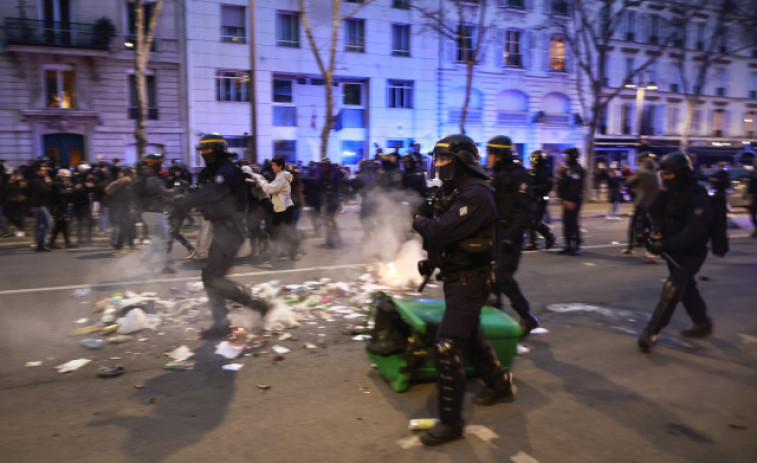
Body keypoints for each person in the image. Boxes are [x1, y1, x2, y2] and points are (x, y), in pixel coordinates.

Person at [412, 134, 516, 446]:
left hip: (472, 278)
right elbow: (428, 207)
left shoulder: (476, 195)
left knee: (447, 346)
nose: (440, 164)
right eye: (438, 159)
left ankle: (451, 423)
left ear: (462, 161)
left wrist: (419, 221)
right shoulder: (453, 189)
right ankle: (499, 384)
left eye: (445, 159)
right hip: (457, 276)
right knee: (470, 335)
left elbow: (440, 229)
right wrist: (423, 210)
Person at [173, 133, 268, 339]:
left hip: (231, 229)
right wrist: (184, 193)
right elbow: (201, 188)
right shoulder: (209, 172)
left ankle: (253, 308)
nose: (205, 155)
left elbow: (215, 191)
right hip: (221, 229)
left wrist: (187, 201)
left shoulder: (228, 170)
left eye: (208, 151)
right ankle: (230, 319)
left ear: (217, 150)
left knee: (212, 278)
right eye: (202, 152)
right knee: (212, 278)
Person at [638, 152, 713, 353]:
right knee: (687, 287)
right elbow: (653, 210)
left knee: (674, 286)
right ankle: (702, 322)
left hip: (692, 252)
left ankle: (651, 332)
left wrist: (664, 245)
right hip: (673, 249)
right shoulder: (669, 193)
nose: (666, 179)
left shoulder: (698, 195)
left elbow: (695, 231)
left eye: (669, 175)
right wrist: (647, 229)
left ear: (680, 174)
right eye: (664, 175)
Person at [486, 135, 539, 336]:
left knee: (502, 277)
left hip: (510, 235)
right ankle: (494, 321)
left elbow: (526, 208)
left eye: (490, 153)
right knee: (490, 279)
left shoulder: (519, 175)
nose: (488, 157)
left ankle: (526, 316)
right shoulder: (496, 174)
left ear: (498, 155)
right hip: (495, 233)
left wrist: (511, 235)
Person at [252, 156, 299, 261]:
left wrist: (262, 182)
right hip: (279, 206)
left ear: (280, 166)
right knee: (275, 229)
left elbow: (270, 189)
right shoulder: (278, 175)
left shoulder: (282, 176)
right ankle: (281, 251)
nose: (272, 167)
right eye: (272, 165)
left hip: (285, 207)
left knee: (284, 230)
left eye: (274, 165)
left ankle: (293, 253)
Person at [135, 153, 174, 274]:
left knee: (159, 238)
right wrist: (177, 190)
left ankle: (151, 262)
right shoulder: (150, 177)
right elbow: (163, 192)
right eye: (159, 163)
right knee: (161, 239)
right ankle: (159, 265)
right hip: (153, 211)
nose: (161, 166)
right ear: (152, 164)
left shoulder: (144, 176)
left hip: (149, 211)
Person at [622, 155, 660, 256]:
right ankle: (651, 248)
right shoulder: (656, 174)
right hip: (653, 204)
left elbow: (629, 182)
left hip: (641, 202)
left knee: (633, 225)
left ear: (644, 165)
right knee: (650, 226)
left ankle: (630, 248)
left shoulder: (641, 172)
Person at [525, 150, 556, 251]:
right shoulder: (534, 170)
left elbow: (547, 186)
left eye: (534, 158)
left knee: (535, 221)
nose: (532, 160)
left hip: (542, 198)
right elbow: (531, 179)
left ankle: (549, 236)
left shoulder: (546, 170)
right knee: (530, 221)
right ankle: (533, 242)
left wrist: (533, 188)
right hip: (533, 198)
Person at [556, 147, 585, 255]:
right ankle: (568, 245)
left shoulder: (577, 170)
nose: (565, 158)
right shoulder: (570, 169)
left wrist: (570, 200)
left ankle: (576, 246)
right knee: (567, 222)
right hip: (567, 199)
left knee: (572, 222)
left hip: (573, 200)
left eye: (567, 155)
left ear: (572, 156)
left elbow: (574, 186)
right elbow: (563, 183)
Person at [47, 169, 74, 249]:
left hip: (59, 207)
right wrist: (73, 190)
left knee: (60, 225)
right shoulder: (57, 184)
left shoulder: (58, 183)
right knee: (61, 225)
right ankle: (66, 242)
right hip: (58, 207)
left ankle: (53, 242)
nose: (66, 179)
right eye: (65, 177)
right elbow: (62, 193)